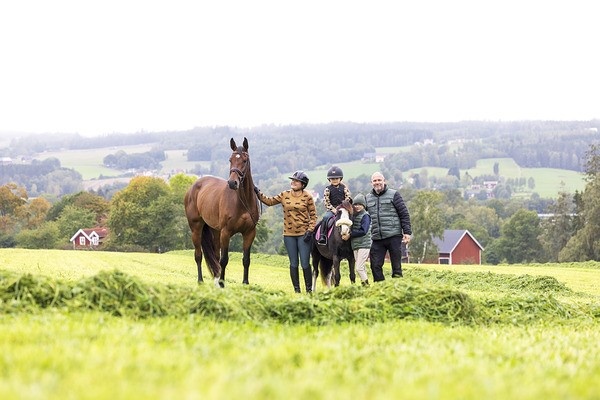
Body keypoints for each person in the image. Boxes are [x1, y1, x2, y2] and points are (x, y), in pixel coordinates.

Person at [254, 170, 317, 293]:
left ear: (303, 184)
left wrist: (310, 231)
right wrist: (257, 192)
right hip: (289, 235)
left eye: (296, 180)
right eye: (292, 180)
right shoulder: (284, 194)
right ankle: (297, 290)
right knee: (293, 263)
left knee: (305, 263)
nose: (293, 182)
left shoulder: (308, 196)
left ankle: (309, 290)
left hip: (304, 235)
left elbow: (313, 216)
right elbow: (269, 201)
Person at [365, 171, 412, 281]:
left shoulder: (394, 194)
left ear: (384, 181)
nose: (377, 182)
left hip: (394, 236)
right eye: (375, 181)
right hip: (377, 238)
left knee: (396, 267)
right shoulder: (367, 198)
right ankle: (381, 289)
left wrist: (407, 232)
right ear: (371, 183)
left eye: (379, 180)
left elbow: (404, 214)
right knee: (375, 266)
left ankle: (396, 290)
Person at [341, 193, 371, 285]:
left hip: (364, 244)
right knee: (362, 267)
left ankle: (366, 285)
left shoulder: (365, 216)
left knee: (358, 268)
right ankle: (364, 285)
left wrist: (350, 235)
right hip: (356, 245)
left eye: (360, 205)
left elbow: (364, 231)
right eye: (356, 204)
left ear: (364, 206)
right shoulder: (354, 216)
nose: (357, 206)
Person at [317, 166, 352, 245]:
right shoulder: (327, 189)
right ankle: (323, 236)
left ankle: (352, 234)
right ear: (329, 180)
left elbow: (348, 198)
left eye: (336, 178)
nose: (335, 180)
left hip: (343, 208)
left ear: (340, 179)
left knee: (352, 217)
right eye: (333, 179)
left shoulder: (344, 188)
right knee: (325, 218)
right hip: (332, 209)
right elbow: (326, 202)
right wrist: (334, 210)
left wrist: (343, 207)